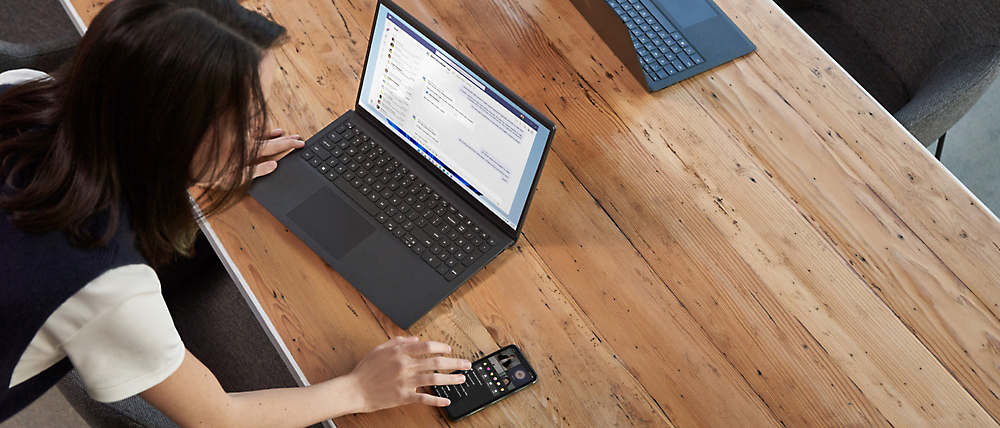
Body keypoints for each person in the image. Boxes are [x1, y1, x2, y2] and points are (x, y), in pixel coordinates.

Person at [0, 0, 470, 425]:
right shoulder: (106, 286)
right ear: (173, 132)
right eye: (247, 120)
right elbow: (217, 418)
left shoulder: (23, 90)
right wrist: (358, 389)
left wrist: (194, 164)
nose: (263, 127)